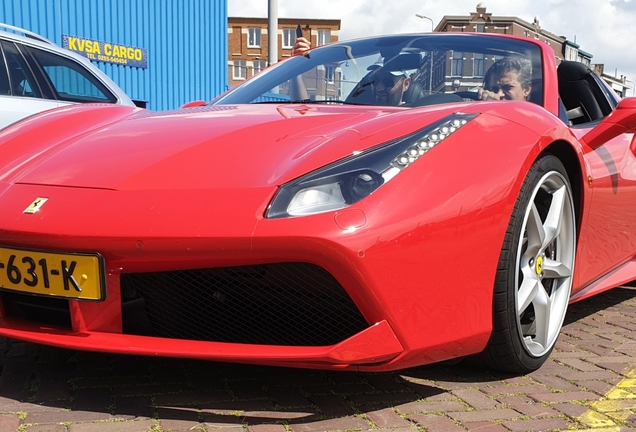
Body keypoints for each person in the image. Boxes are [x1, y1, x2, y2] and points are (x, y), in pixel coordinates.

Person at [291, 37, 411, 106]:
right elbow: (303, 110)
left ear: (406, 84)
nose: (379, 87)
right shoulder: (357, 113)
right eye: (375, 80)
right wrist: (297, 66)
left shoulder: (416, 118)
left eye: (388, 82)